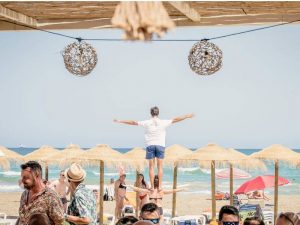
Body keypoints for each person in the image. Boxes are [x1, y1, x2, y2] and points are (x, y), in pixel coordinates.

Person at [114, 106, 194, 189]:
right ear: (158, 113)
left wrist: (120, 121)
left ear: (151, 113)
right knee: (160, 167)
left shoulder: (147, 122)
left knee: (151, 167)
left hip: (150, 145)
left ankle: (152, 186)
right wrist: (186, 116)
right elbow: (176, 119)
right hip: (160, 145)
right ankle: (159, 186)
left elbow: (133, 122)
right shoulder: (163, 122)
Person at [17, 161, 64, 225]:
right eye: (22, 177)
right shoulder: (24, 194)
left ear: (37, 175)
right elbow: (21, 218)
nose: (22, 180)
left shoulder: (50, 196)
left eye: (26, 177)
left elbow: (58, 222)